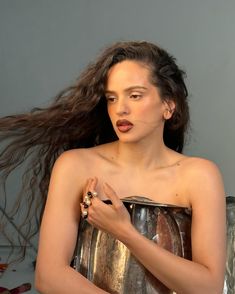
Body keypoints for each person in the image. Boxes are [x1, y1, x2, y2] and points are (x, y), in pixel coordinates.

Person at [0, 41, 226, 293]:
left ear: (168, 105)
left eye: (135, 95)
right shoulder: (75, 166)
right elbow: (49, 277)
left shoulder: (200, 176)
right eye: (111, 98)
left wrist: (124, 232)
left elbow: (209, 288)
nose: (120, 109)